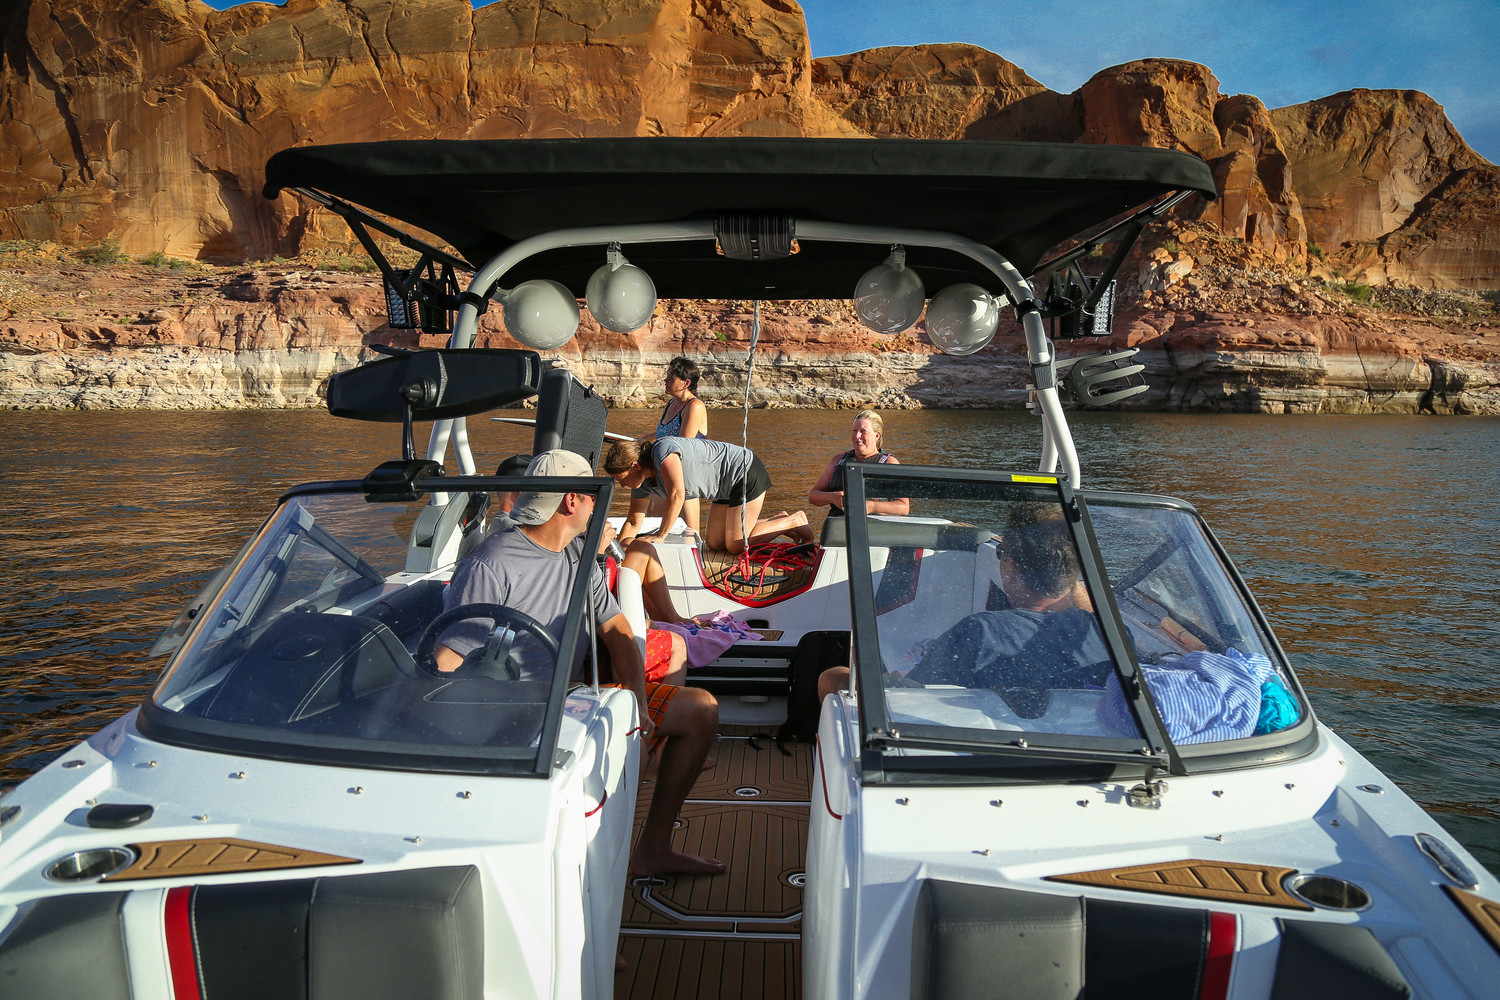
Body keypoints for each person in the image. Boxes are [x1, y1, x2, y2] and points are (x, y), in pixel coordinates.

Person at [437, 450, 721, 875]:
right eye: (593, 497)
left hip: (573, 700)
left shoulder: (578, 556)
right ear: (572, 501)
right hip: (507, 714)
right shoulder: (490, 563)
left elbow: (618, 630)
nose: (596, 507)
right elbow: (446, 663)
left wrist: (638, 704)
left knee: (699, 710)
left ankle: (653, 848)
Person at [603, 437, 813, 555]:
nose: (622, 485)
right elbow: (633, 521)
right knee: (714, 543)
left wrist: (660, 535)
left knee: (735, 545)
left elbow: (677, 494)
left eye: (621, 478)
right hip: (723, 489)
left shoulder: (662, 451)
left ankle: (794, 520)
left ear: (635, 466)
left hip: (743, 472)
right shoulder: (640, 483)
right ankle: (778, 520)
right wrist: (615, 555)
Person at [639, 357, 710, 536]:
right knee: (652, 528)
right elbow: (662, 434)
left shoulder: (695, 406)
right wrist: (640, 441)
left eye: (671, 378)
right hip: (662, 473)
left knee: (690, 535)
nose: (665, 380)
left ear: (686, 383)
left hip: (685, 480)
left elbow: (682, 444)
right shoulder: (671, 403)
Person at [808, 410, 909, 517]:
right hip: (836, 523)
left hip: (872, 524)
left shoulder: (889, 463)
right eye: (854, 430)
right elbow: (813, 496)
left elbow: (903, 507)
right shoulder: (838, 460)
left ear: (877, 436)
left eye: (863, 431)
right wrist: (833, 497)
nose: (857, 436)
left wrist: (870, 506)